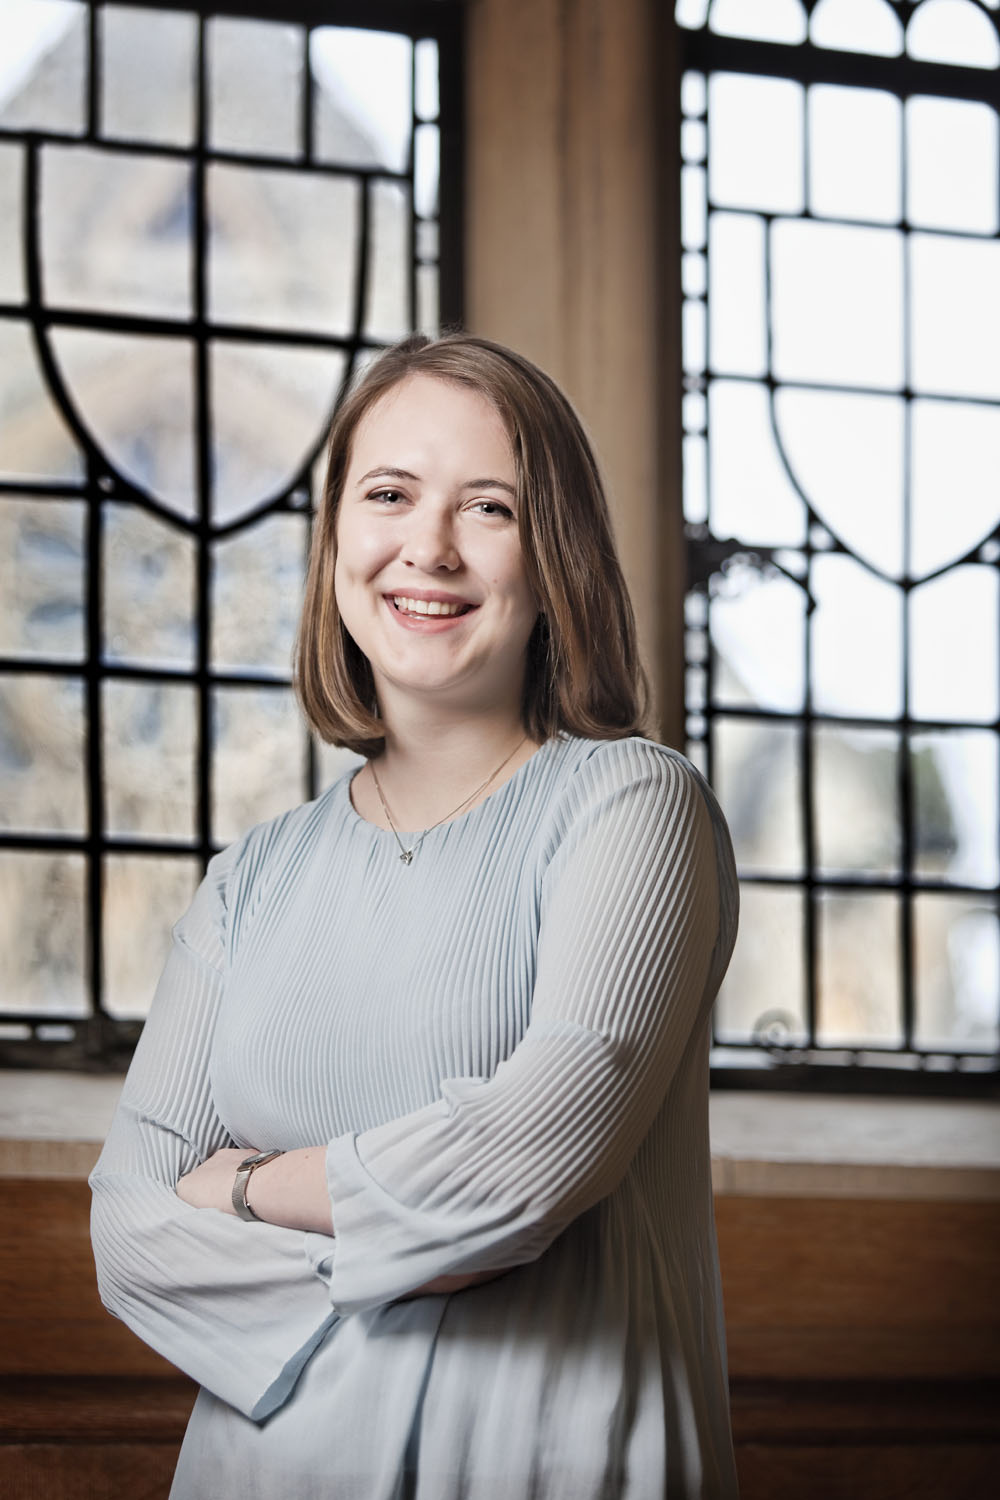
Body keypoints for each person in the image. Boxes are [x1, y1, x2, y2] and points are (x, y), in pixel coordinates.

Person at [90, 333, 740, 1499]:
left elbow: (524, 1167)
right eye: (388, 494)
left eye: (488, 507)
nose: (427, 548)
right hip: (262, 1466)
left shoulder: (634, 807)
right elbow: (129, 1228)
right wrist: (410, 1235)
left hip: (542, 1459)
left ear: (555, 557)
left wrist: (242, 1187)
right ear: (338, 533)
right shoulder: (251, 878)